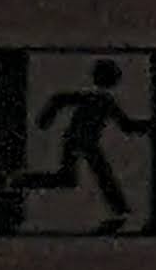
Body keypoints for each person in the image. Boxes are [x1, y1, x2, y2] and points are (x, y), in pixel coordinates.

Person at [14, 60, 139, 226]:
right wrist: (44, 119)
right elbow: (126, 125)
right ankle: (120, 210)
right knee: (99, 173)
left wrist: (45, 119)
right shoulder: (101, 100)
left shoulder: (100, 99)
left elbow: (126, 125)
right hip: (80, 142)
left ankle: (21, 181)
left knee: (69, 178)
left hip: (78, 141)